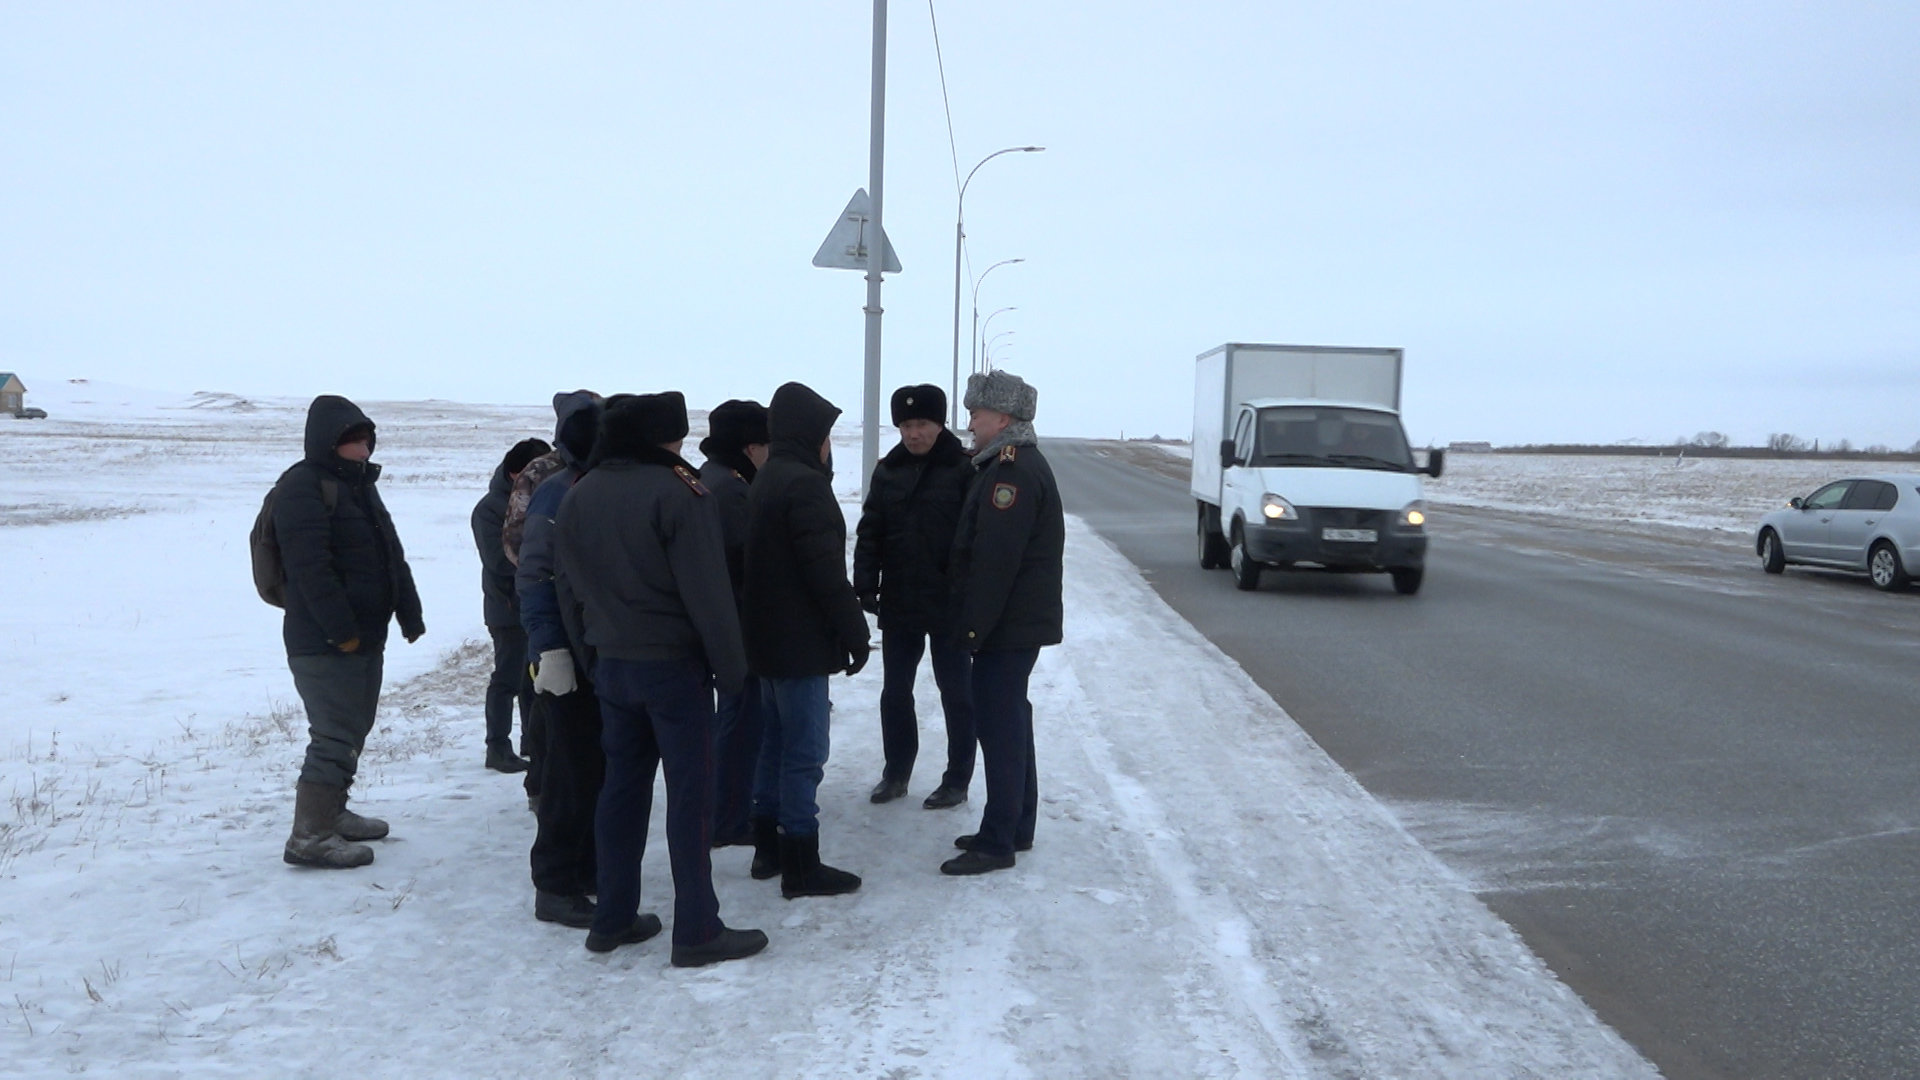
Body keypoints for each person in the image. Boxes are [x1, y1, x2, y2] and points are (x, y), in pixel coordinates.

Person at [553, 392, 768, 965]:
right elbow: (709, 593)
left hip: (613, 668)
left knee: (620, 792)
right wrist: (734, 672)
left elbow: (566, 589)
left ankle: (612, 918)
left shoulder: (581, 492)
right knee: (690, 799)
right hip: (673, 669)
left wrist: (593, 657)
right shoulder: (681, 491)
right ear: (664, 438)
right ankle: (697, 930)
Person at [276, 395, 426, 869]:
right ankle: (310, 837)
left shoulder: (359, 486)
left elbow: (389, 553)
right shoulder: (301, 487)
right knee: (334, 735)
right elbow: (310, 570)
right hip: (324, 641)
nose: (362, 450)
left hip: (364, 636)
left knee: (353, 729)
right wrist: (341, 632)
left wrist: (408, 610)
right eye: (351, 442)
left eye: (365, 440)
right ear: (326, 442)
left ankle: (332, 815)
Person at [742, 382, 870, 898]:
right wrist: (856, 632)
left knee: (774, 746)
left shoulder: (768, 477)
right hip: (798, 647)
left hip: (767, 644)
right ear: (810, 434)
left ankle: (767, 850)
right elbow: (823, 573)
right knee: (804, 753)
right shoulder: (804, 486)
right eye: (826, 433)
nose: (829, 444)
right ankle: (801, 862)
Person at [941, 370, 1064, 876]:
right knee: (1011, 721)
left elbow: (995, 560)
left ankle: (998, 842)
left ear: (1003, 418)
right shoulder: (1005, 465)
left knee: (1001, 727)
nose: (970, 422)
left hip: (1006, 627)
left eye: (976, 414)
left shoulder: (1011, 472)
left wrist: (972, 631)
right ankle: (1015, 825)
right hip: (1014, 625)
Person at [853, 384, 976, 809]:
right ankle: (896, 773)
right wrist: (865, 583)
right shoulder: (889, 470)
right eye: (905, 425)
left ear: (939, 424)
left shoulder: (964, 469)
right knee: (895, 691)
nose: (913, 433)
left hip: (950, 604)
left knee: (957, 692)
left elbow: (976, 539)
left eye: (921, 423)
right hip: (901, 598)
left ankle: (957, 779)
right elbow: (871, 531)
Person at [516, 391, 606, 927]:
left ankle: (586, 870)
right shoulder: (555, 493)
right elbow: (535, 576)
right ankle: (554, 885)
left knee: (592, 769)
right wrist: (549, 649)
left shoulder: (584, 486)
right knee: (568, 775)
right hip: (561, 656)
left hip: (591, 652)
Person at [697, 399, 771, 848]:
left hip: (729, 624)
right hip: (739, 627)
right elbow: (745, 564)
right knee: (741, 725)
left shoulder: (715, 479)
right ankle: (728, 817)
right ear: (749, 447)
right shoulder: (731, 490)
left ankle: (727, 811)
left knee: (737, 722)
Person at [472, 437, 550, 776]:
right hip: (507, 606)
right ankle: (497, 747)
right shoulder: (490, 509)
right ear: (515, 471)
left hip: (535, 603)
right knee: (507, 679)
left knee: (534, 679)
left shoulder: (538, 500)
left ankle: (531, 741)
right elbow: (498, 560)